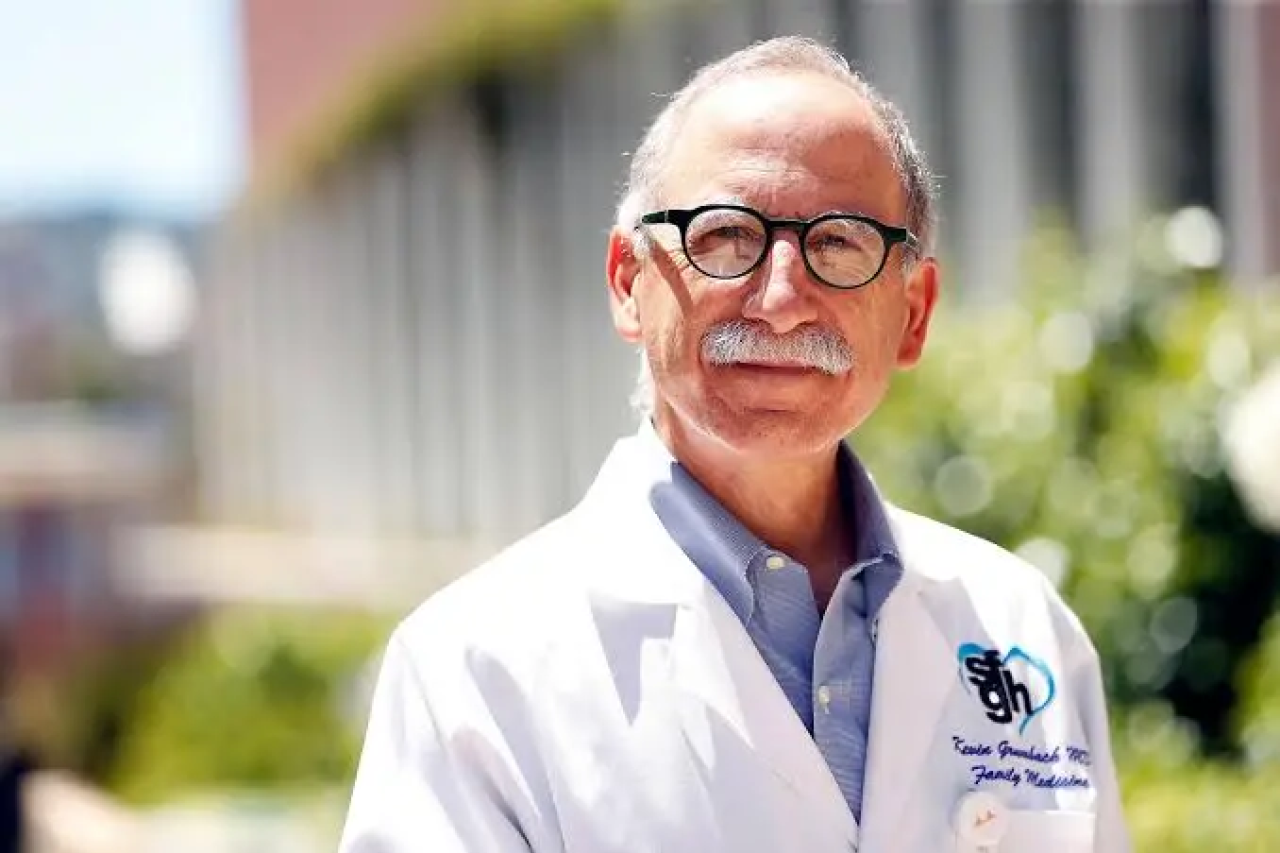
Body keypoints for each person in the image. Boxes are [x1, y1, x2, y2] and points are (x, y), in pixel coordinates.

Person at [339, 36, 1130, 853]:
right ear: (628, 283)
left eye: (838, 242)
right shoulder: (473, 670)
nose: (783, 298)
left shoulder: (1023, 627)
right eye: (724, 236)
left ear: (915, 312)